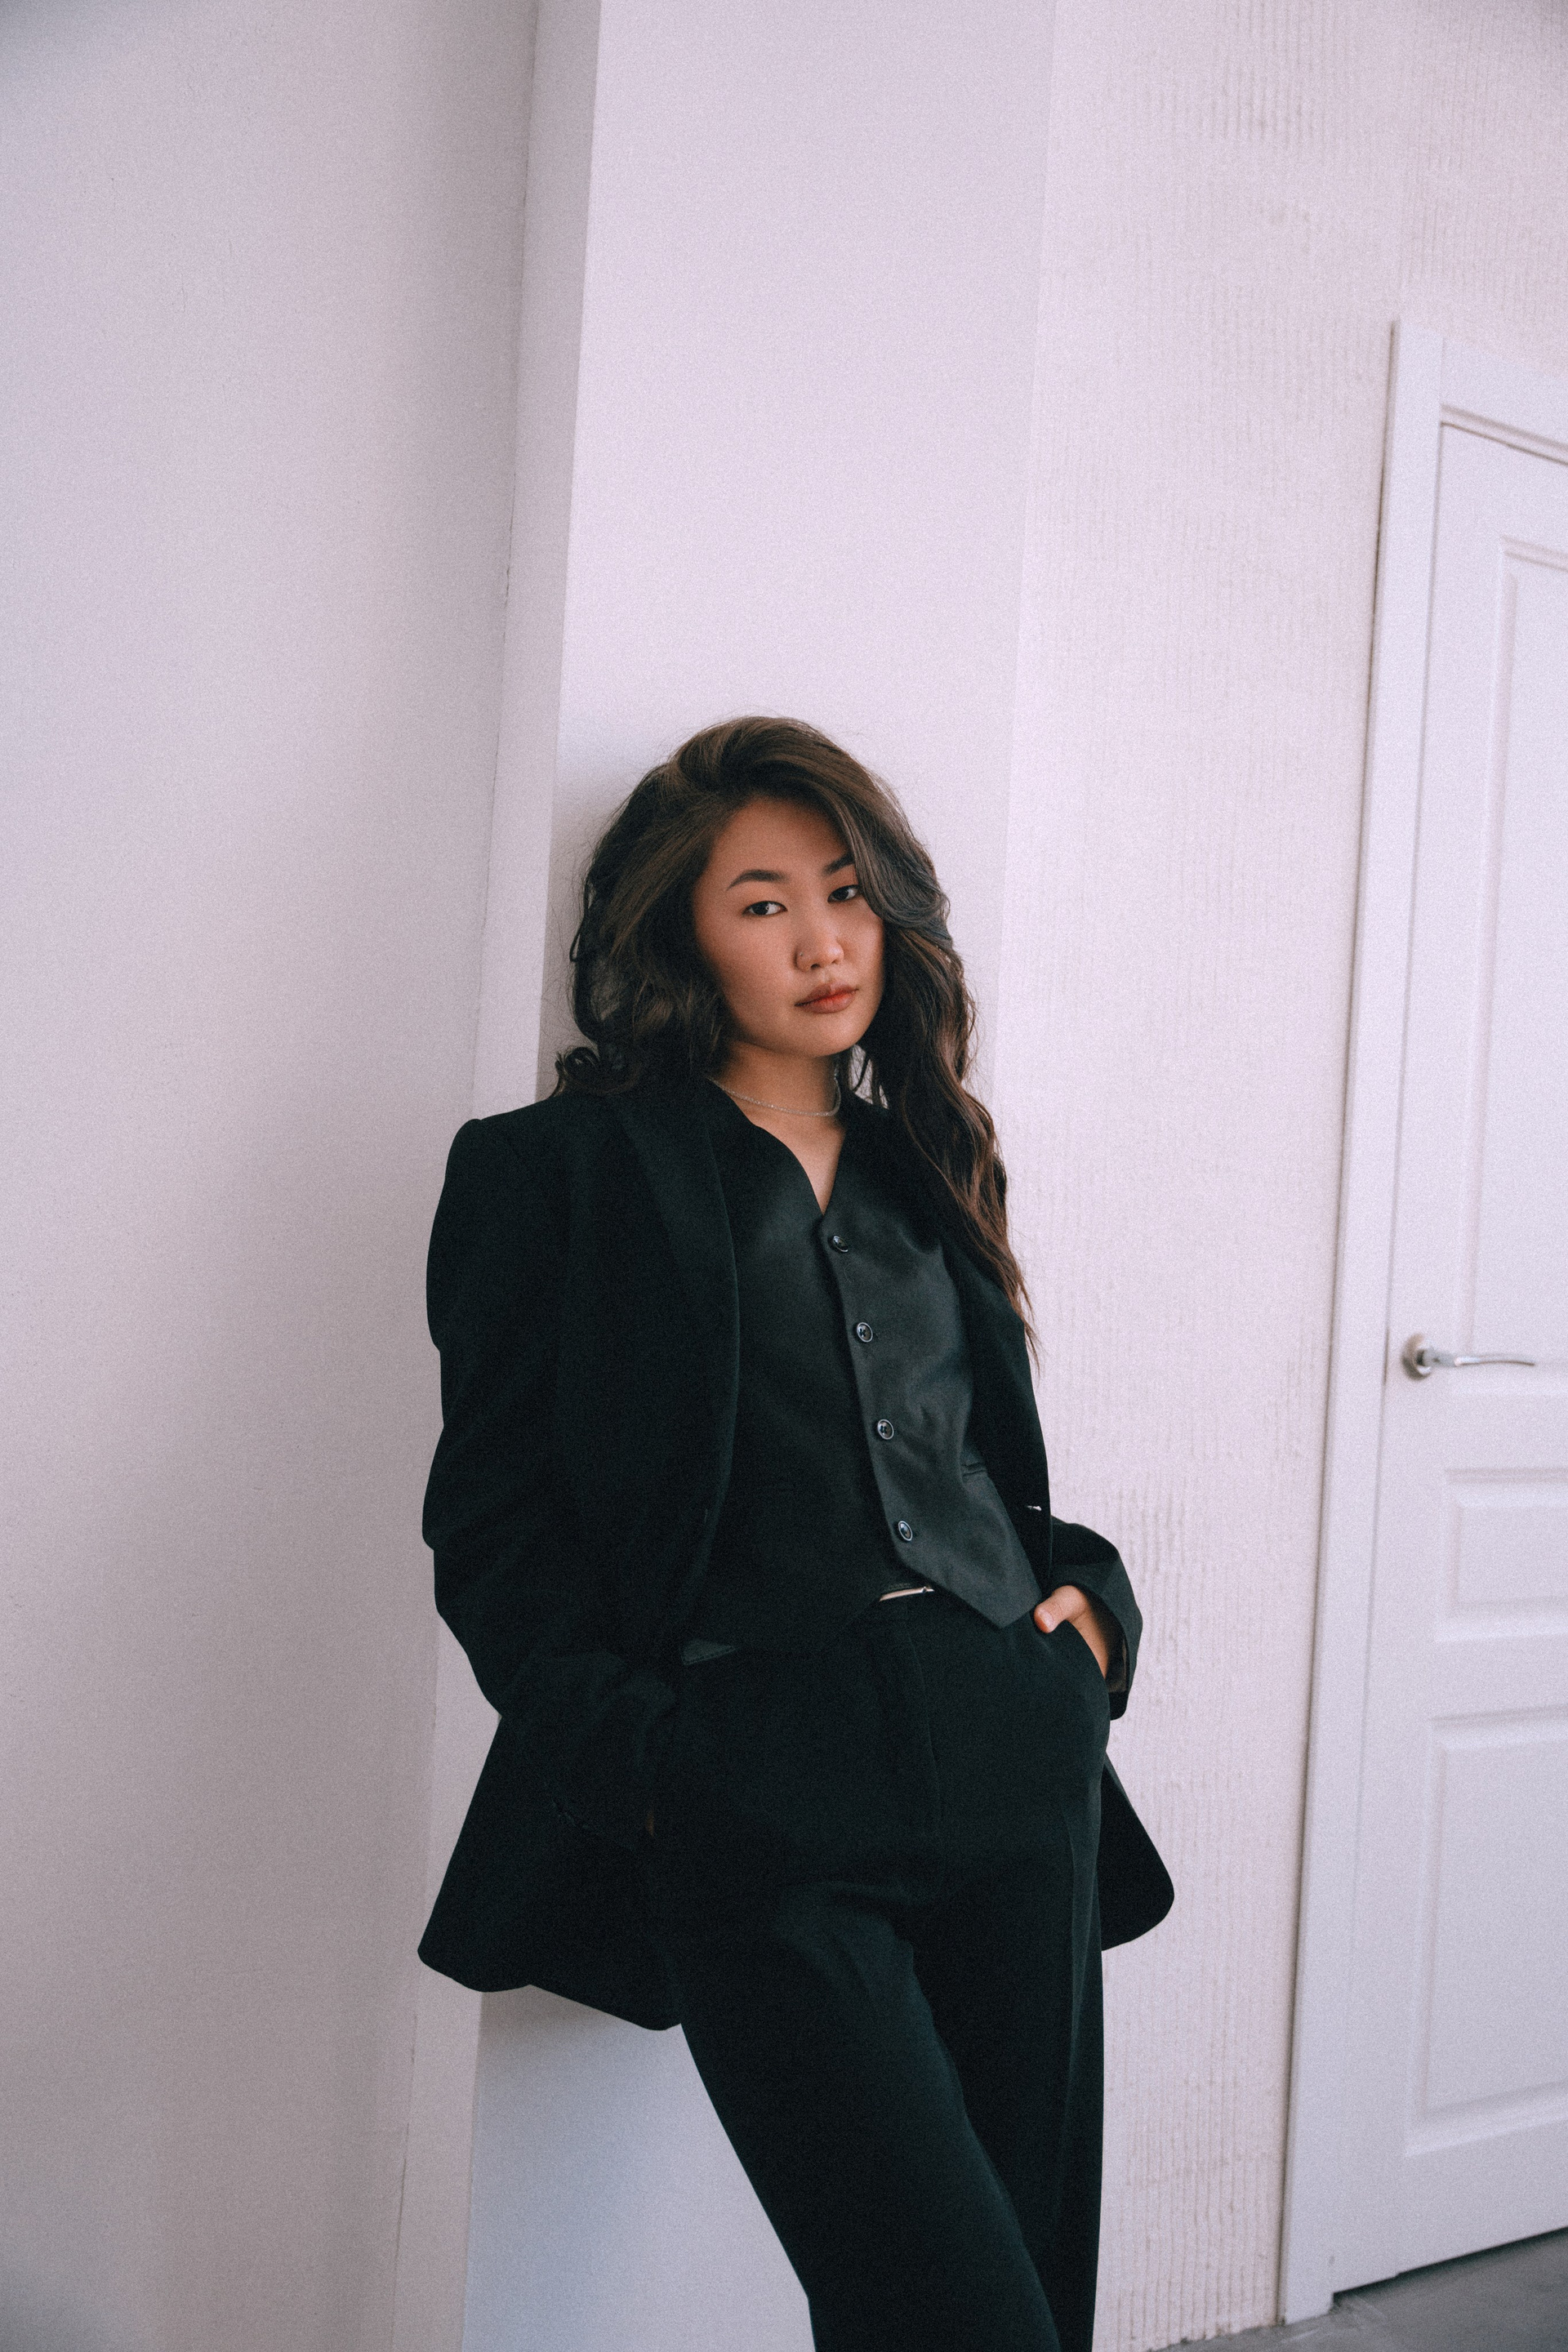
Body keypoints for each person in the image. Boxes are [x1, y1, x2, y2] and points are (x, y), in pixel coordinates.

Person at [418, 715, 1173, 2352]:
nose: (824, 941)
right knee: (945, 2307)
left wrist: (1091, 1607)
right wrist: (651, 1763)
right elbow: (491, 1524)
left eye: (847, 893)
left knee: (1030, 2294)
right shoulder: (555, 1174)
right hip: (758, 1780)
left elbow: (974, 1469)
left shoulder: (930, 1158)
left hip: (1012, 1758)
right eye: (763, 903)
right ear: (682, 932)